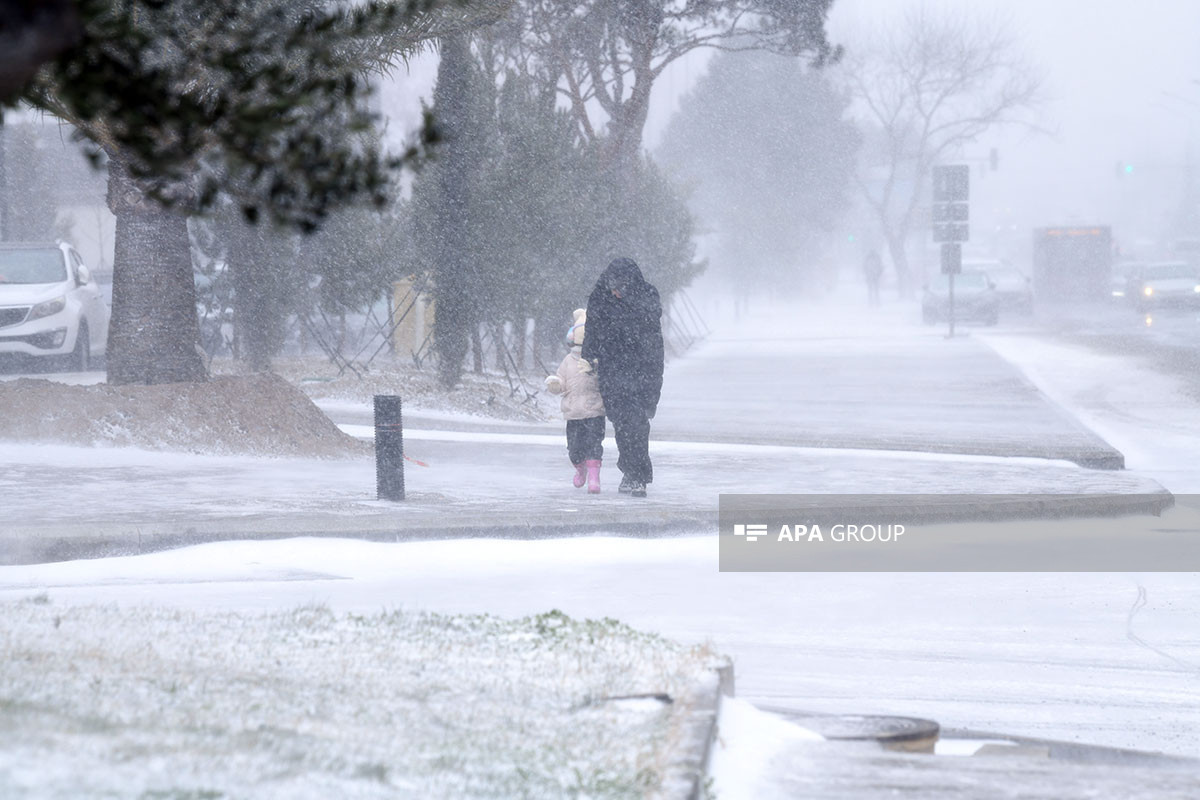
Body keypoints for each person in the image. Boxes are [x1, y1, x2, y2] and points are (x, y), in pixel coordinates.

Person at [580, 257, 664, 498]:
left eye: (621, 289)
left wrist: (651, 379)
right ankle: (630, 470)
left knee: (636, 423)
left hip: (641, 368)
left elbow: (651, 338)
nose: (616, 293)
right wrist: (588, 356)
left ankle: (638, 475)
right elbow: (592, 329)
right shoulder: (600, 296)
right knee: (621, 423)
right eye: (613, 288)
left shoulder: (646, 297)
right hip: (612, 368)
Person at [544, 309, 606, 493]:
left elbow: (606, 380)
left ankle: (594, 479)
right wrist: (556, 385)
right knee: (574, 449)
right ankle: (581, 469)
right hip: (573, 414)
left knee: (595, 446)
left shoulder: (598, 361)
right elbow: (561, 380)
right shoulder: (567, 361)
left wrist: (595, 369)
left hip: (595, 411)